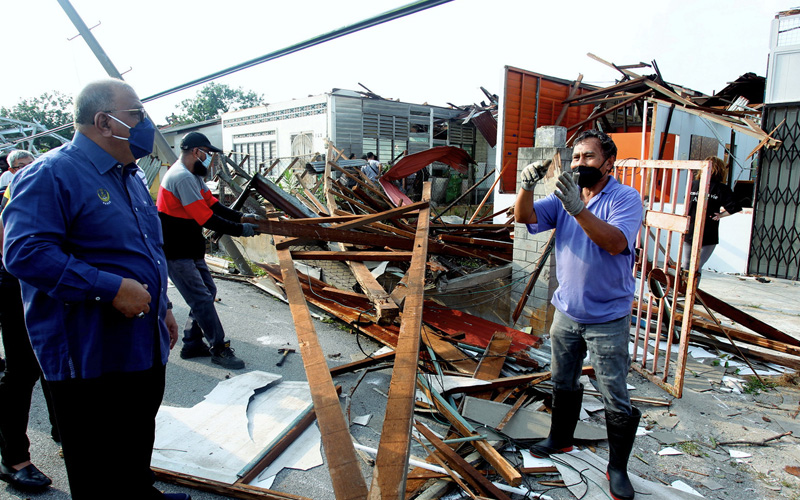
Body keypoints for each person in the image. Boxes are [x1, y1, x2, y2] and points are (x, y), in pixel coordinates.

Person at [2, 78, 190, 500]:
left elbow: (144, 248)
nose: (145, 124)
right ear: (105, 122)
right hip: (90, 352)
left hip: (143, 340)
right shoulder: (50, 174)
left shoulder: (129, 176)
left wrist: (163, 306)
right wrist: (110, 288)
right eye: (137, 114)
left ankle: (140, 492)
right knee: (97, 461)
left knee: (136, 437)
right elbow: (25, 252)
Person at [515, 130, 643, 500]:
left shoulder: (625, 197)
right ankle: (561, 438)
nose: (579, 164)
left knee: (614, 393)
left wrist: (578, 209)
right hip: (567, 311)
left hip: (607, 316)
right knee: (563, 380)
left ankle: (617, 468)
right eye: (575, 158)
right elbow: (524, 216)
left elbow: (616, 242)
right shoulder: (565, 197)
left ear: (608, 163)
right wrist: (527, 185)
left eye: (588, 157)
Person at [156, 132, 259, 370]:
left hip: (190, 248)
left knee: (208, 291)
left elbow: (212, 204)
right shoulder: (181, 177)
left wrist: (241, 216)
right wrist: (240, 229)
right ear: (196, 151)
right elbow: (205, 218)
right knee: (201, 298)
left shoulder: (192, 176)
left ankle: (192, 343)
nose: (207, 158)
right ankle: (219, 348)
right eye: (206, 153)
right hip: (176, 251)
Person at [0, 150, 59, 492]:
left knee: (54, 363)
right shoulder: (36, 177)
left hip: (53, 284)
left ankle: (62, 431)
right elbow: (8, 235)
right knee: (22, 370)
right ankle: (13, 459)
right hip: (20, 282)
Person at [681, 156, 742, 275]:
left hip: (690, 228)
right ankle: (690, 292)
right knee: (696, 267)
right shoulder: (721, 188)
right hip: (708, 230)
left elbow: (687, 204)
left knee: (686, 264)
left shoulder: (693, 184)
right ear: (720, 170)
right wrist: (720, 215)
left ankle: (681, 290)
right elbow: (735, 207)